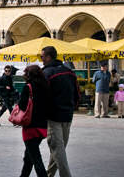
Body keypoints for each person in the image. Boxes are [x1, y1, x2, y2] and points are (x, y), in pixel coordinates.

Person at [40, 46, 78, 177]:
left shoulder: (47, 73)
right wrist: (72, 106)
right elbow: (76, 93)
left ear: (49, 57)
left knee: (58, 150)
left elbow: (42, 96)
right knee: (58, 149)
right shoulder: (69, 72)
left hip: (53, 116)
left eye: (42, 57)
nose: (41, 59)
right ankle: (49, 175)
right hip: (68, 115)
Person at [18, 65, 49, 177]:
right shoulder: (46, 86)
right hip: (43, 126)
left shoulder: (28, 87)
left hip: (30, 126)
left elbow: (22, 105)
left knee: (36, 158)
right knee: (29, 156)